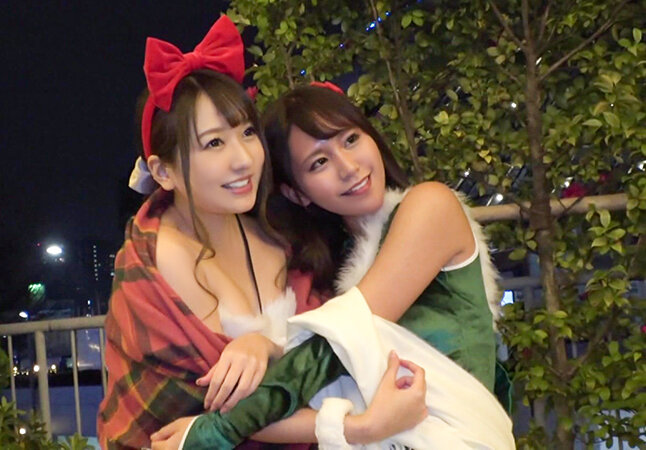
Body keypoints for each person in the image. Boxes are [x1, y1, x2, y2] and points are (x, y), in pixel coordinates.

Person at [97, 17, 427, 449]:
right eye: (214, 143)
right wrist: (358, 424)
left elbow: (333, 352)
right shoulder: (158, 262)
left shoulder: (281, 231)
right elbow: (223, 414)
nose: (243, 159)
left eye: (247, 133)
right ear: (163, 171)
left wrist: (264, 346)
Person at [152, 84, 515, 449]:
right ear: (297, 193)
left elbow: (335, 342)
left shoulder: (430, 206)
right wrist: (266, 348)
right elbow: (282, 401)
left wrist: (212, 431)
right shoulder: (328, 277)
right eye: (319, 162)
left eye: (350, 140)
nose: (349, 167)